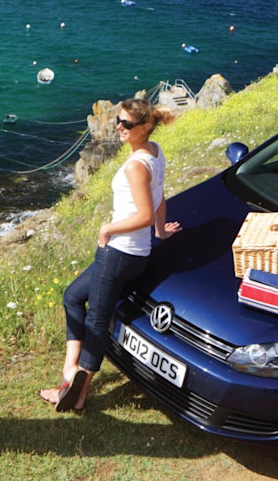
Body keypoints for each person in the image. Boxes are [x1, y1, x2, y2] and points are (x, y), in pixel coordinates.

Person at [40, 98, 182, 412]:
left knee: (96, 321)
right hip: (133, 254)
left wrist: (108, 228)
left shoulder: (135, 165)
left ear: (144, 127)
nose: (119, 127)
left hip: (119, 252)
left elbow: (144, 213)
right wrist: (160, 232)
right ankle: (69, 373)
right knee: (73, 297)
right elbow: (158, 197)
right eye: (119, 120)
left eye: (127, 124)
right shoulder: (154, 152)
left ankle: (75, 395)